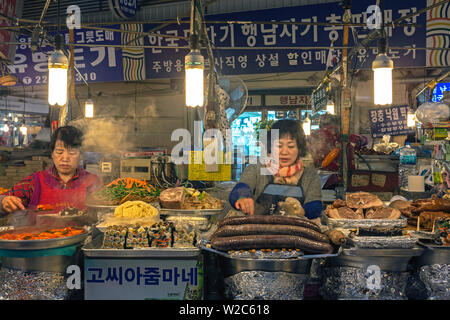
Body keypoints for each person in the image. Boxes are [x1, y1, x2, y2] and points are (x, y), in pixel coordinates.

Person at [228, 119, 323, 222]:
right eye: (279, 146)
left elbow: (316, 205)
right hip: (258, 230)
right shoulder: (257, 168)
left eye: (291, 146)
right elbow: (241, 188)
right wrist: (242, 198)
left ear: (299, 149)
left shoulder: (310, 176)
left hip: (295, 233)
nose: (284, 152)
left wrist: (301, 211)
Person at [0, 126, 101, 215]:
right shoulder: (34, 182)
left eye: (72, 152)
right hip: (40, 235)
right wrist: (3, 201)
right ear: (52, 154)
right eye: (59, 152)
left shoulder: (92, 182)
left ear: (81, 155)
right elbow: (4, 202)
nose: (65, 158)